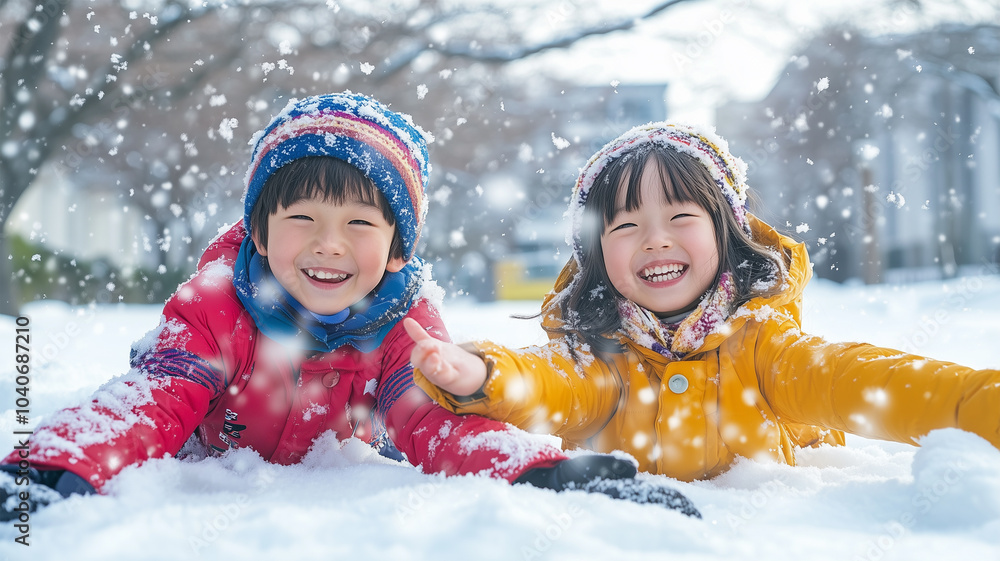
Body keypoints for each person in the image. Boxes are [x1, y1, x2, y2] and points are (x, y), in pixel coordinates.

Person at [0, 95, 701, 520]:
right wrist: (51, 463)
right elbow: (153, 399)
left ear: (398, 248)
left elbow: (435, 425)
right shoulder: (218, 307)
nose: (328, 246)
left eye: (361, 225)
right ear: (260, 228)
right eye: (301, 218)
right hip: (208, 451)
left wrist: (538, 467)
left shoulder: (401, 327)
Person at [405, 122, 1000, 482]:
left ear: (726, 232)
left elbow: (867, 383)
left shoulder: (767, 348)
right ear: (596, 256)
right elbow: (547, 383)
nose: (655, 238)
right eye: (625, 225)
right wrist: (481, 373)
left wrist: (982, 406)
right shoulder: (600, 358)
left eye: (681, 216)